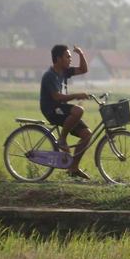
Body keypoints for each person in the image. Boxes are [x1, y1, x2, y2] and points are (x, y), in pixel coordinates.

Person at [40, 44, 91, 179]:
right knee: (78, 110)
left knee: (87, 135)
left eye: (70, 57)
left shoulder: (65, 72)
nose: (70, 59)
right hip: (52, 109)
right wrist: (76, 95)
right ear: (58, 59)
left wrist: (80, 54)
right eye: (67, 57)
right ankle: (62, 139)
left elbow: (83, 69)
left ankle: (73, 168)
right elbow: (56, 97)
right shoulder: (49, 76)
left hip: (62, 109)